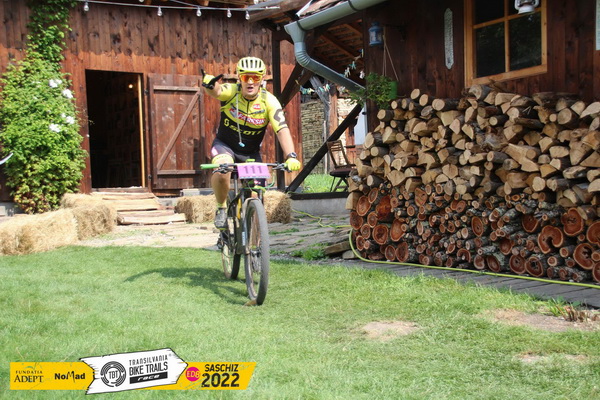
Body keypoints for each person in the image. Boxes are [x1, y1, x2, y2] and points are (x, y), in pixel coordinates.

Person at [202, 57, 301, 229]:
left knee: (256, 194)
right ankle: (221, 208)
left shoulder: (269, 101)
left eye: (255, 77)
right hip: (225, 146)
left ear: (261, 79)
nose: (250, 82)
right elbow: (218, 91)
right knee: (223, 169)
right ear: (239, 78)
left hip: (250, 153)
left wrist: (291, 156)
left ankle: (251, 235)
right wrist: (210, 85)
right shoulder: (232, 91)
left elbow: (281, 129)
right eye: (245, 77)